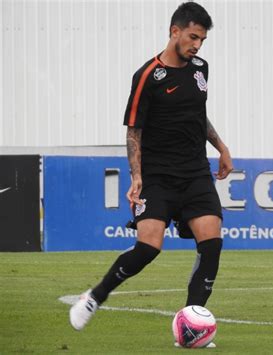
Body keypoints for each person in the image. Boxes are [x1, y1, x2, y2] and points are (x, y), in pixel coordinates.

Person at [69, 1, 233, 345]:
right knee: (148, 247)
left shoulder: (201, 68)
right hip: (157, 175)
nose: (197, 45)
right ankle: (95, 296)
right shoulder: (147, 75)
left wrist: (221, 147)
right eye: (192, 37)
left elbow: (197, 115)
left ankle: (190, 325)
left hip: (194, 172)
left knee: (212, 242)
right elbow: (134, 131)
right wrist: (137, 176)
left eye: (202, 40)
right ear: (175, 31)